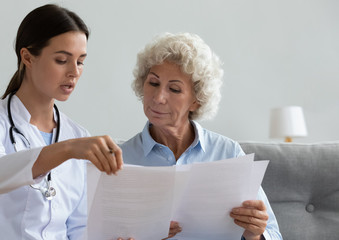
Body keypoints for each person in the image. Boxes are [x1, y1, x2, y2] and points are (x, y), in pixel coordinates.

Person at [0, 4, 123, 239]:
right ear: (27, 57)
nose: (74, 72)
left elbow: (78, 227)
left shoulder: (77, 133)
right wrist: (68, 150)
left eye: (80, 61)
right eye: (62, 60)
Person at [120, 32, 283, 240]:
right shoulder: (120, 159)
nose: (159, 97)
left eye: (174, 89)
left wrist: (255, 234)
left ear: (196, 100)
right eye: (153, 83)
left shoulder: (229, 153)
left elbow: (274, 235)